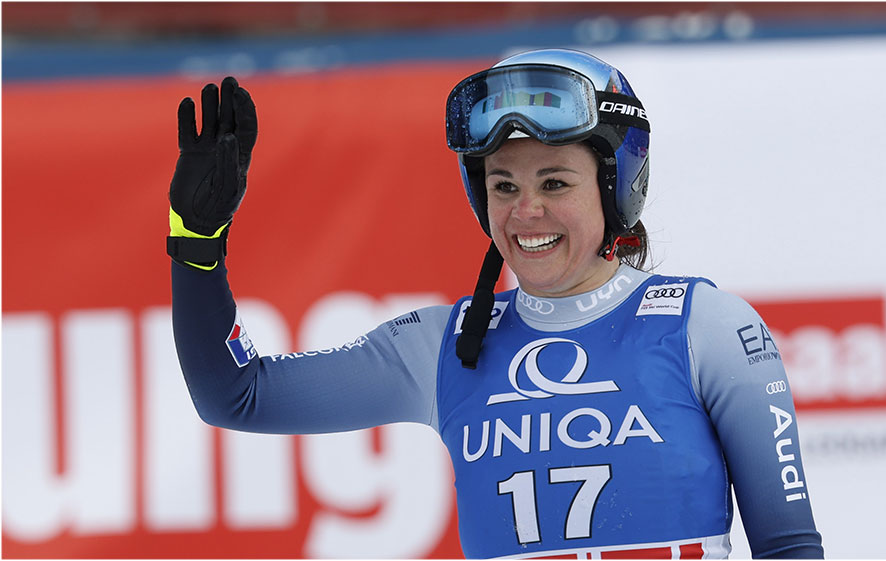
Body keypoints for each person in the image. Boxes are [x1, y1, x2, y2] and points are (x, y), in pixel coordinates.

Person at [167, 48, 824, 559]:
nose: (526, 210)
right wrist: (196, 242)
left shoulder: (705, 327)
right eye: (503, 184)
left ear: (616, 186)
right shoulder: (439, 346)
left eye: (555, 181)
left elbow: (789, 545)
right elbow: (235, 395)